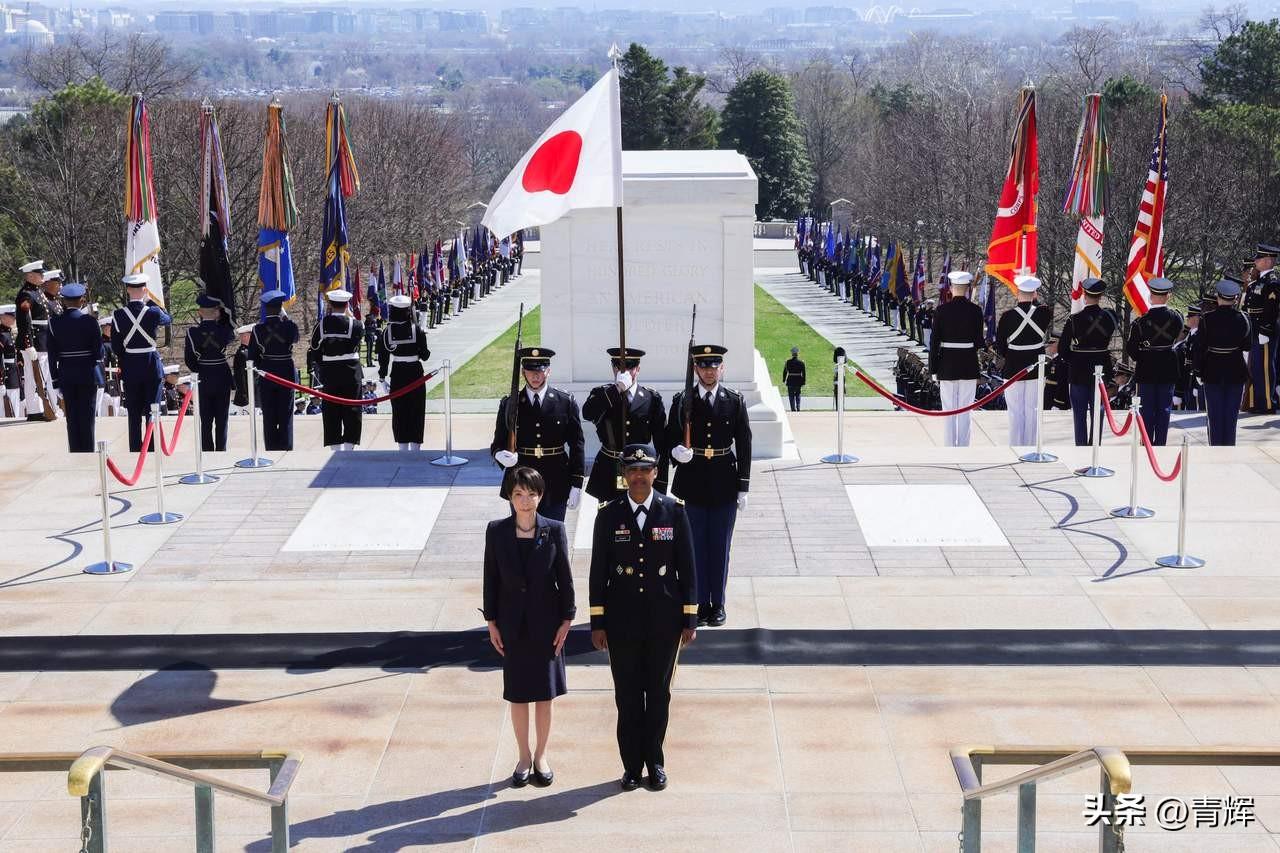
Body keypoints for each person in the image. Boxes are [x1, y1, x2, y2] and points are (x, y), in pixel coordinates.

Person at [589, 444, 697, 792]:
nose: (638, 477)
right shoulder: (608, 514)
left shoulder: (674, 511)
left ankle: (656, 762)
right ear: (623, 474)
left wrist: (690, 617)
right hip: (621, 621)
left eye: (645, 470)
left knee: (659, 693)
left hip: (664, 620)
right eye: (632, 471)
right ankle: (631, 767)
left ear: (655, 472)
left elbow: (688, 568)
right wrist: (598, 622)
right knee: (628, 695)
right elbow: (597, 573)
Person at [482, 466, 575, 788]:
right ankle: (523, 755)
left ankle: (541, 756)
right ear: (510, 496)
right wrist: (491, 622)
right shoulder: (496, 531)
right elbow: (490, 579)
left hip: (547, 624)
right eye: (519, 494)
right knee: (519, 695)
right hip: (512, 625)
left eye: (531, 494)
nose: (525, 501)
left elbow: (565, 578)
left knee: (544, 696)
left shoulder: (554, 529)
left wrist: (567, 619)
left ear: (541, 496)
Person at [665, 343, 751, 627]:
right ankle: (699, 602)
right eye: (703, 366)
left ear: (721, 368)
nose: (709, 371)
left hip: (724, 481)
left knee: (720, 547)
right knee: (695, 546)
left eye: (714, 366)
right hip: (692, 482)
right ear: (695, 369)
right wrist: (676, 452)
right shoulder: (683, 400)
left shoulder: (734, 400)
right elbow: (669, 437)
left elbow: (745, 444)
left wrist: (744, 486)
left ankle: (718, 603)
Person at [491, 347, 585, 522]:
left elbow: (577, 444)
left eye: (540, 371)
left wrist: (576, 483)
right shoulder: (511, 404)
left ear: (548, 371)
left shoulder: (565, 401)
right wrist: (500, 456)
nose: (535, 376)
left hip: (556, 478)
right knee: (523, 534)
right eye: (530, 371)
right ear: (523, 372)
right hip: (521, 478)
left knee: (553, 533)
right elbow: (497, 443)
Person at [582, 347, 668, 502]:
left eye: (630, 367)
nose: (625, 372)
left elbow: (662, 443)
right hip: (609, 467)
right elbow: (587, 413)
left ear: (638, 369)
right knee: (608, 520)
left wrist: (661, 483)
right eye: (620, 367)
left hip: (640, 467)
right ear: (613, 368)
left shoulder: (651, 398)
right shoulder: (603, 393)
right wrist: (617, 390)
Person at [112, 273, 172, 451]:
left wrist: (128, 357)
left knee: (134, 412)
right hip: (151, 365)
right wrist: (153, 302)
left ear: (128, 290)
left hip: (131, 365)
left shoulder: (118, 314)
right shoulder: (153, 312)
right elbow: (168, 319)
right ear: (145, 290)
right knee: (152, 410)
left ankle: (135, 449)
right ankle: (151, 448)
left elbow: (116, 346)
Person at [928, 270, 985, 447]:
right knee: (966, 409)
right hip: (968, 364)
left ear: (951, 289)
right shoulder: (975, 311)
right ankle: (964, 446)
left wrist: (933, 369)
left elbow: (934, 342)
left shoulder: (941, 310)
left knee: (949, 409)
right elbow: (978, 342)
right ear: (967, 289)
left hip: (947, 365)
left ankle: (949, 445)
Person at [1059, 276, 1118, 446]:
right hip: (1102, 367)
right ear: (1100, 296)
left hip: (1078, 371)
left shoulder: (1074, 319)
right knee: (1098, 410)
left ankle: (1081, 447)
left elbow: (1063, 349)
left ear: (1084, 295)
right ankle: (1095, 447)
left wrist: (1075, 358)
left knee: (1079, 413)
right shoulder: (1110, 318)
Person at [1124, 276, 1183, 446]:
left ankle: (1147, 444)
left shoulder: (1140, 322)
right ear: (1168, 296)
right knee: (1164, 409)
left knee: (1147, 410)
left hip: (1147, 369)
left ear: (1150, 296)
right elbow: (1177, 335)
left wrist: (1145, 356)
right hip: (1168, 367)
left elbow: (1132, 350)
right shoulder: (1177, 318)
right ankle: (1161, 444)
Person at [1193, 278, 1251, 446]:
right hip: (1235, 371)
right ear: (1234, 299)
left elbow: (1199, 348)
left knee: (1215, 416)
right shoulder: (1243, 319)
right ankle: (1229, 449)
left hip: (1212, 371)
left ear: (1218, 297)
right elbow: (1247, 345)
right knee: (1231, 417)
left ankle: (1216, 449)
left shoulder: (1207, 319)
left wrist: (1198, 371)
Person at [995, 274, 1051, 447]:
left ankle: (1016, 445)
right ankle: (1031, 445)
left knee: (1015, 411)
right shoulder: (1044, 313)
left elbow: (1000, 347)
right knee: (1032, 409)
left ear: (1017, 292)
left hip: (1013, 367)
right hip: (1035, 368)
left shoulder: (1007, 316)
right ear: (1034, 293)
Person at [46, 282, 100, 452]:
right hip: (87, 374)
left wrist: (55, 380)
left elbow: (52, 355)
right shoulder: (90, 322)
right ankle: (88, 450)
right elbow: (99, 353)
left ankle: (75, 451)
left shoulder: (54, 323)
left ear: (63, 301)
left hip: (66, 375)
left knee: (73, 417)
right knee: (88, 416)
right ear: (82, 300)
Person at [310, 289, 364, 451]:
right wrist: (351, 316)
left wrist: (325, 364)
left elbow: (314, 348)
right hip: (351, 371)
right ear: (347, 304)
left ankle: (335, 447)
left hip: (330, 372)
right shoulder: (355, 324)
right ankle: (349, 445)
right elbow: (359, 336)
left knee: (331, 410)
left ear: (330, 304)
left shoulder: (321, 325)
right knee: (352, 409)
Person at [377, 293, 431, 451]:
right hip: (415, 372)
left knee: (400, 410)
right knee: (416, 409)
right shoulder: (417, 330)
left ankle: (402, 447)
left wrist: (382, 377)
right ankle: (416, 447)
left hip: (398, 373)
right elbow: (425, 355)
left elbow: (383, 357)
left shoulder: (387, 332)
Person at [248, 289, 299, 451]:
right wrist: (286, 318)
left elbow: (253, 356)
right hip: (286, 371)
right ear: (280, 308)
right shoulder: (289, 326)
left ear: (265, 309)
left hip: (267, 372)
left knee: (269, 412)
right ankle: (286, 445)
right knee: (286, 412)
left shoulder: (258, 329)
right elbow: (296, 338)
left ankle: (271, 446)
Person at [184, 293, 235, 451]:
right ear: (217, 312)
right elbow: (230, 327)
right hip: (221, 375)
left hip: (203, 377)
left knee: (205, 420)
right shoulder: (224, 331)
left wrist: (200, 371)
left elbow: (189, 359)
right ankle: (221, 450)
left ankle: (206, 450)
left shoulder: (192, 333)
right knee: (222, 419)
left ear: (199, 312)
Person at [15, 260, 57, 420]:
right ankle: (34, 411)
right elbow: (24, 320)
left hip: (43, 340)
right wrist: (28, 344)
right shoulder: (26, 294)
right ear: (31, 276)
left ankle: (38, 409)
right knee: (34, 377)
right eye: (39, 274)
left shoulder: (37, 292)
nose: (42, 276)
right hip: (35, 341)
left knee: (42, 376)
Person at [1244, 243, 1279, 413]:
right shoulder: (1259, 281)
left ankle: (1267, 403)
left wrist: (1265, 330)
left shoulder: (1272, 282)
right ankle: (1257, 401)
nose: (1255, 261)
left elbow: (1271, 309)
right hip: (1255, 329)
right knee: (1256, 367)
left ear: (1267, 261)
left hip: (1264, 331)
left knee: (1265, 368)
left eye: (1258, 258)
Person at [1174, 305, 1203, 411]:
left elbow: (1198, 359)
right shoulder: (1191, 336)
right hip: (1188, 378)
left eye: (1190, 317)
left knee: (1197, 410)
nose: (1188, 320)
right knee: (1189, 408)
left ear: (1196, 319)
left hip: (1195, 378)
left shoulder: (1199, 336)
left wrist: (1196, 385)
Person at [0, 304, 20, 419]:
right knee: (7, 407)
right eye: (11, 316)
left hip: (13, 372)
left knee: (15, 402)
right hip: (7, 374)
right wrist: (1, 381)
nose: (14, 318)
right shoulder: (2, 335)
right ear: (2, 317)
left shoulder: (8, 333)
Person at [231, 323, 253, 415]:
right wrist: (244, 395)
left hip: (253, 394)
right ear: (245, 336)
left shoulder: (250, 351)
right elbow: (240, 376)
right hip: (247, 397)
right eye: (251, 335)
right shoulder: (242, 354)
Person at [782, 346, 806, 412]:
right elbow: (804, 373)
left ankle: (793, 408)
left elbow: (785, 371)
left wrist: (784, 380)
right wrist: (803, 382)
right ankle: (798, 407)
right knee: (798, 394)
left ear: (792, 354)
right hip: (798, 380)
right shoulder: (801, 363)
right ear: (797, 354)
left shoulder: (788, 362)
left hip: (790, 380)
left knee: (791, 395)